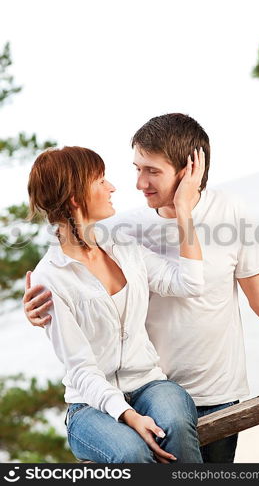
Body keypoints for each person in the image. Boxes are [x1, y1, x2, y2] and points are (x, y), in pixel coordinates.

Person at [24, 114, 259, 463]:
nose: (136, 184)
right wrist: (40, 311)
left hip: (213, 391)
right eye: (136, 168)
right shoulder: (122, 230)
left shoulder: (229, 211)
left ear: (188, 169)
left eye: (152, 171)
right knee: (137, 457)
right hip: (145, 390)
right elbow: (70, 247)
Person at [26, 145, 206, 464]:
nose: (112, 187)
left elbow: (189, 282)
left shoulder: (124, 247)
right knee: (131, 453)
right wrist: (127, 415)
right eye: (100, 181)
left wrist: (184, 212)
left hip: (150, 384)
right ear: (75, 196)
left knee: (176, 423)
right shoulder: (49, 278)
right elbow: (81, 370)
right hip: (89, 406)